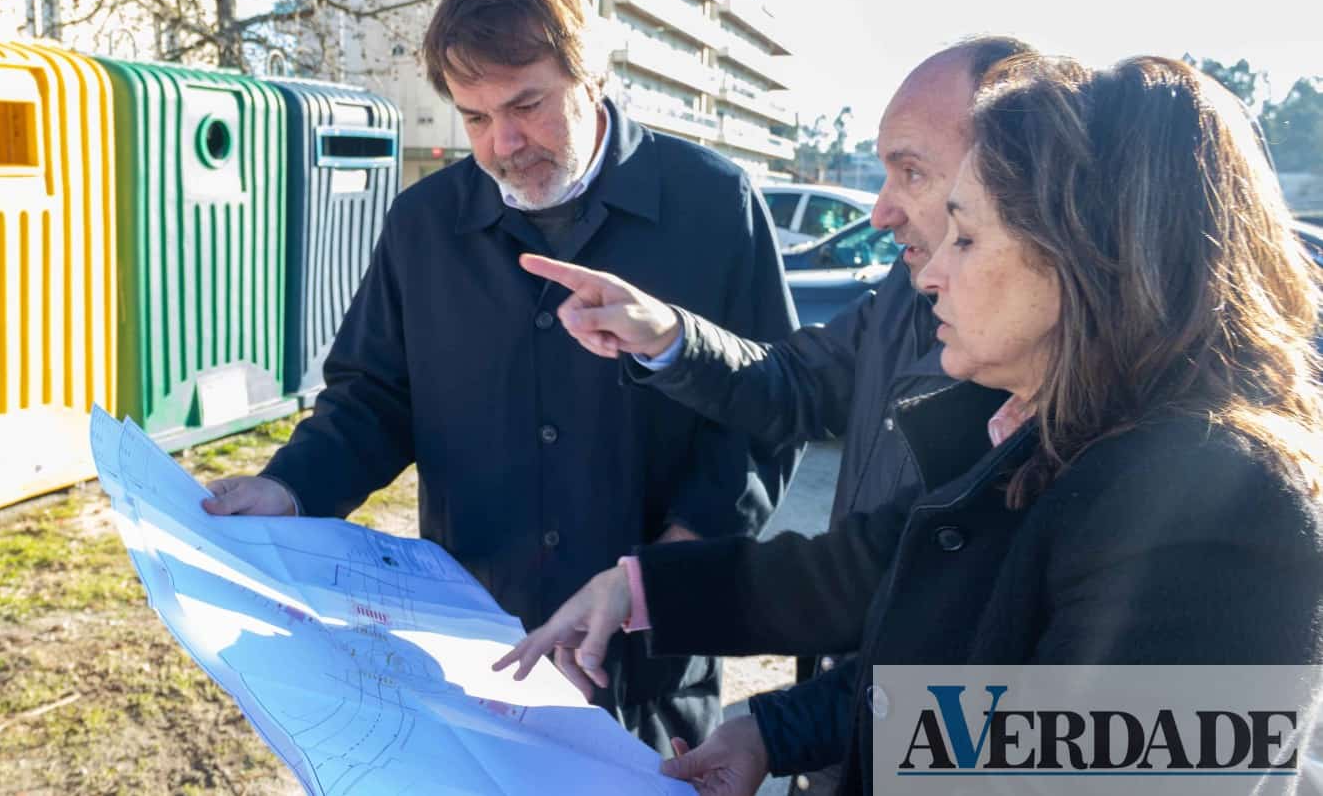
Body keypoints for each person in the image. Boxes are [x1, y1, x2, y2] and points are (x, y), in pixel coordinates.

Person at [497, 54, 1323, 795]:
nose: (930, 275)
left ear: (1085, 252)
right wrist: (767, 727)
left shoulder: (1221, 510)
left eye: (965, 236)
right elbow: (966, 687)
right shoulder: (1052, 434)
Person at [200, 0, 800, 754]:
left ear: (592, 74)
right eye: (474, 118)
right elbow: (372, 399)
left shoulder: (716, 205)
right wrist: (288, 486)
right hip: (474, 661)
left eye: (527, 104)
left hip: (648, 673)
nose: (503, 144)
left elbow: (764, 419)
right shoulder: (422, 225)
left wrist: (655, 579)